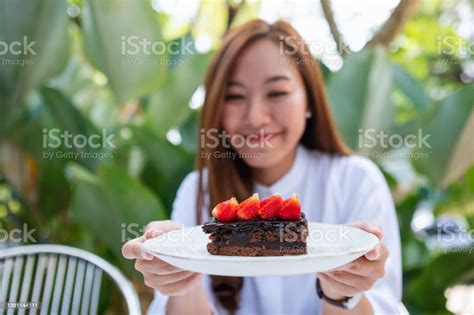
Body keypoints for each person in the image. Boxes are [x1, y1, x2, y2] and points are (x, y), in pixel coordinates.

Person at [122, 19, 401, 315]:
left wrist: (342, 292)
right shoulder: (197, 189)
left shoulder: (355, 181)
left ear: (309, 100)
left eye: (277, 93)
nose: (255, 117)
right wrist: (178, 275)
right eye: (235, 96)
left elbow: (384, 305)